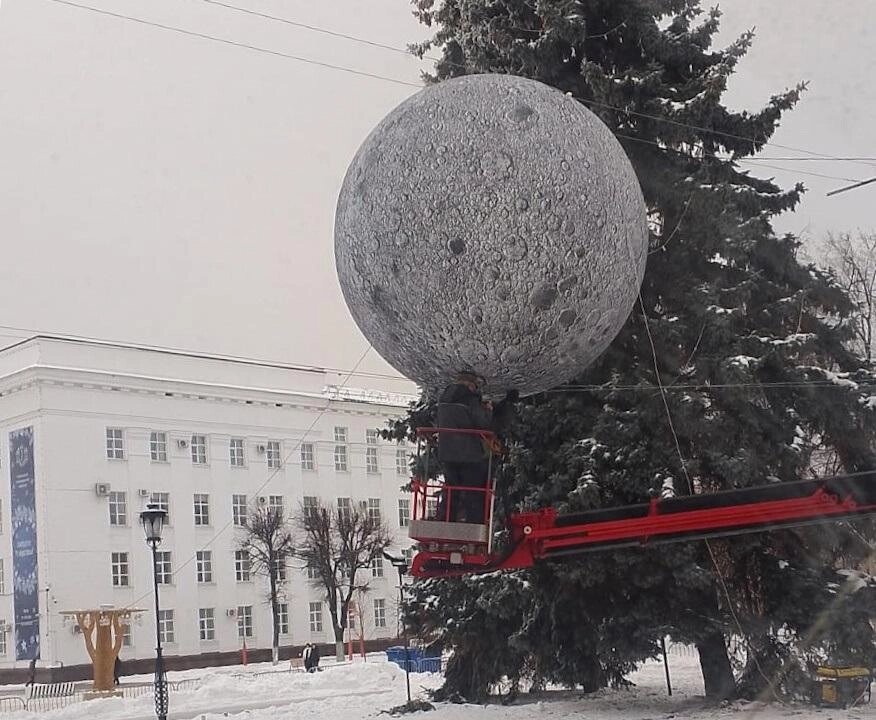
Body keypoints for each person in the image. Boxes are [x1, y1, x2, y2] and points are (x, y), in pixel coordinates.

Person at [436, 371, 493, 522]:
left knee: (450, 490)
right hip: (469, 455)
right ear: (469, 385)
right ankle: (474, 525)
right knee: (472, 492)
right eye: (474, 386)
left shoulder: (443, 400)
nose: (475, 390)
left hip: (447, 453)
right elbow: (483, 424)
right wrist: (487, 411)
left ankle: (445, 521)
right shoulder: (469, 400)